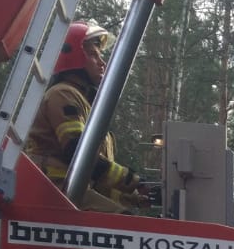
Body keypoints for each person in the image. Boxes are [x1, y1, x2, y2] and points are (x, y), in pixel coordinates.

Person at [26, 22, 147, 212]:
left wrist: (132, 197)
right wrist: (130, 180)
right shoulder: (63, 94)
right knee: (125, 224)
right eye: (93, 55)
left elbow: (94, 176)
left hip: (71, 190)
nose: (102, 63)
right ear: (72, 58)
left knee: (127, 218)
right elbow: (76, 151)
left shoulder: (81, 101)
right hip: (54, 190)